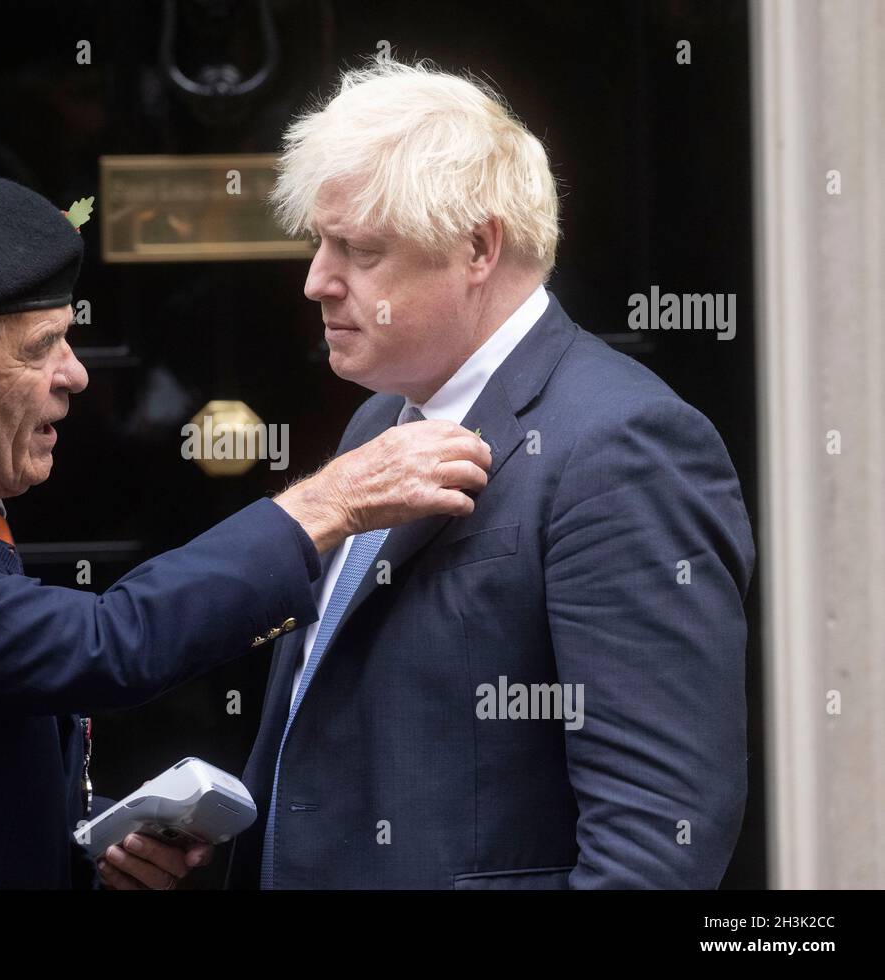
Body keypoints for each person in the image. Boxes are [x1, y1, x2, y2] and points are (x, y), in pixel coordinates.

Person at [0, 174, 491, 889]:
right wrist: (330, 504)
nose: (76, 374)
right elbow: (104, 646)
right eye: (39, 350)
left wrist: (86, 848)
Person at [228, 60, 756, 889]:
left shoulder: (624, 445)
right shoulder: (382, 417)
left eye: (360, 250)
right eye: (320, 242)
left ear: (478, 247)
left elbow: (657, 847)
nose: (316, 281)